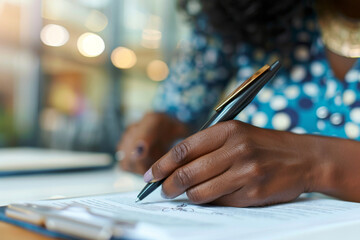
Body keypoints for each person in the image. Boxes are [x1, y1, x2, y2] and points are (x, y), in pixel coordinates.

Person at [117, 0, 360, 207]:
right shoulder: (242, 12)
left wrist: (315, 162)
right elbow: (176, 110)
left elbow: (312, 161)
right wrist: (157, 128)